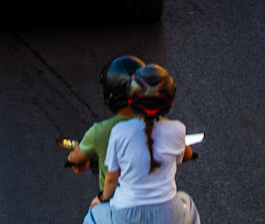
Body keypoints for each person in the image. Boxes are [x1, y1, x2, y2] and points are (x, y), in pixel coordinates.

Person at [92, 63, 200, 223]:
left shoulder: (119, 131)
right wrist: (189, 155)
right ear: (169, 99)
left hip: (126, 213)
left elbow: (111, 179)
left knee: (93, 214)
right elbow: (186, 153)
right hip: (168, 213)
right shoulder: (178, 129)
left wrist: (101, 199)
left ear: (131, 97)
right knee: (186, 201)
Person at [65, 56, 142, 192]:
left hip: (116, 202)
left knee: (96, 205)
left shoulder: (100, 132)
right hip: (160, 200)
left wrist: (75, 160)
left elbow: (75, 158)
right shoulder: (160, 125)